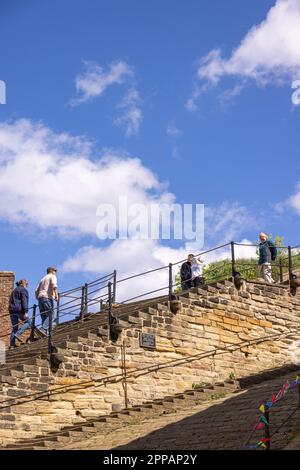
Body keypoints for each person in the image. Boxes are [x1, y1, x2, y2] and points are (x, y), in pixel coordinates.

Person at [35, 267, 58, 333]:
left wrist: (38, 298)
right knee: (51, 315)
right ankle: (43, 329)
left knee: (44, 316)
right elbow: (54, 285)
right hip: (47, 297)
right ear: (52, 271)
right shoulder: (52, 276)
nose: (55, 273)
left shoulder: (42, 279)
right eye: (55, 271)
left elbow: (36, 290)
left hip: (40, 298)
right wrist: (56, 295)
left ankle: (43, 332)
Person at [9, 279, 30, 350]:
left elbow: (10, 301)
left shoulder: (14, 290)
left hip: (12, 311)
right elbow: (24, 300)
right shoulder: (23, 290)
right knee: (28, 322)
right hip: (19, 310)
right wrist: (26, 311)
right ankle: (18, 334)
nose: (26, 286)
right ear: (24, 284)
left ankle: (12, 346)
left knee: (14, 327)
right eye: (26, 285)